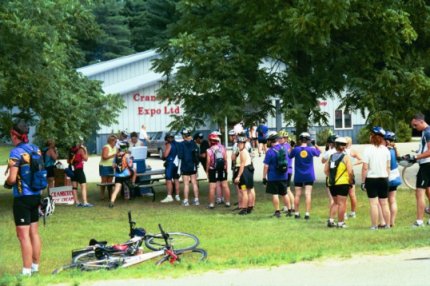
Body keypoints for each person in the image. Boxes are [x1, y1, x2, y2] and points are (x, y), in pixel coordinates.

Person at [4, 121, 43, 276]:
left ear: (14, 135)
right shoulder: (36, 149)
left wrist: (6, 184)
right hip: (36, 195)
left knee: (23, 235)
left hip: (22, 198)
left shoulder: (16, 152)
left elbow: (12, 179)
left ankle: (26, 272)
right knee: (34, 233)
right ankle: (35, 267)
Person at [361, 126, 391, 230]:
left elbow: (365, 168)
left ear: (372, 136)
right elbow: (388, 167)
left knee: (374, 204)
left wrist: (363, 182)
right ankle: (387, 225)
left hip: (372, 179)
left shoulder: (368, 150)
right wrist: (387, 177)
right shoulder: (386, 150)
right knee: (384, 203)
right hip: (384, 178)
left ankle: (374, 226)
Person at [289, 132, 321, 220]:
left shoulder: (296, 149)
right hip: (309, 175)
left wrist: (292, 146)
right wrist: (315, 144)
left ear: (299, 140)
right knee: (308, 194)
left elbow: (289, 155)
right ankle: (307, 214)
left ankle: (296, 213)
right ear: (308, 140)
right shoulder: (311, 150)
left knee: (297, 194)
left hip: (299, 175)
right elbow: (319, 152)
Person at [324, 137, 353, 228]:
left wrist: (332, 177)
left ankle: (331, 220)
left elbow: (326, 170)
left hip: (332, 184)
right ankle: (341, 223)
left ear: (335, 145)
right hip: (343, 183)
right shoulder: (346, 157)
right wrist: (350, 181)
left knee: (335, 202)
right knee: (342, 203)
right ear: (344, 146)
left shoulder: (331, 157)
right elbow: (350, 172)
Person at [408, 113, 430, 227]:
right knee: (428, 191)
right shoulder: (425, 132)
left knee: (419, 192)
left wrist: (415, 157)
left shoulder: (427, 132)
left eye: (415, 125)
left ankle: (419, 221)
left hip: (426, 165)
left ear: (421, 121)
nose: (414, 127)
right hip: (426, 164)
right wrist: (417, 154)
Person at [263, 132, 289, 218]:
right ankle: (289, 210)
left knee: (275, 194)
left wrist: (264, 177)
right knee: (284, 193)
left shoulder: (270, 151)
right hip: (283, 175)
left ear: (271, 141)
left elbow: (266, 166)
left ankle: (277, 212)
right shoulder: (284, 149)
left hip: (273, 176)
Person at [206, 133, 231, 209]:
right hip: (222, 169)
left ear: (210, 141)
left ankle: (211, 204)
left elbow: (208, 162)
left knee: (212, 187)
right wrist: (226, 169)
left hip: (213, 170)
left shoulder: (209, 150)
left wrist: (207, 171)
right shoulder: (223, 148)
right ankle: (227, 202)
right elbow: (225, 159)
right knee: (225, 186)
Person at [178, 128, 200, 206]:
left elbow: (180, 156)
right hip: (193, 165)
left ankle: (186, 201)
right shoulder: (193, 143)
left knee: (186, 184)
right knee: (194, 183)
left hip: (185, 165)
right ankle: (196, 200)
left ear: (184, 135)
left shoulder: (181, 144)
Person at [234, 135, 255, 215]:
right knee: (249, 190)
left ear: (244, 144)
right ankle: (250, 206)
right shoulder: (244, 151)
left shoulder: (242, 152)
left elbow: (242, 165)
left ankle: (244, 209)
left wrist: (238, 176)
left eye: (240, 143)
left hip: (244, 173)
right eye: (238, 143)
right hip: (248, 172)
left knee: (244, 191)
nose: (239, 144)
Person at [109, 142, 134, 208]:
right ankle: (127, 201)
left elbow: (113, 166)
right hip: (126, 175)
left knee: (116, 189)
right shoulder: (127, 155)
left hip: (118, 176)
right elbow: (130, 165)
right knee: (126, 188)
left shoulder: (116, 155)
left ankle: (112, 201)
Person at [69, 139, 92, 207]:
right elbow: (86, 159)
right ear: (79, 143)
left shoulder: (71, 150)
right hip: (79, 169)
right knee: (83, 185)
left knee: (74, 187)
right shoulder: (81, 150)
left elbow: (68, 160)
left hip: (72, 169)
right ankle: (85, 202)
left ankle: (77, 202)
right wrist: (86, 150)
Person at [384, 131, 401, 227]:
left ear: (386, 140)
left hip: (387, 177)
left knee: (384, 201)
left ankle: (385, 222)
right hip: (395, 177)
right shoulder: (394, 150)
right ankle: (392, 222)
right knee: (393, 200)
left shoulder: (385, 151)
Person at [278, 130, 295, 216]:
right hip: (283, 170)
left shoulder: (287, 146)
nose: (280, 139)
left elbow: (290, 152)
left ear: (286, 138)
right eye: (279, 138)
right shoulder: (281, 146)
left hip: (287, 170)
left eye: (282, 138)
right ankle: (286, 206)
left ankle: (292, 206)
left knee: (287, 189)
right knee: (283, 190)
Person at [160, 133, 181, 203]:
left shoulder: (169, 144)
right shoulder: (178, 144)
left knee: (168, 179)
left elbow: (165, 155)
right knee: (176, 179)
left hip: (170, 163)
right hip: (177, 163)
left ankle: (169, 196)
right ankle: (177, 195)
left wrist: (163, 154)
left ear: (167, 139)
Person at [344, 136, 362, 218]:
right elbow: (360, 159)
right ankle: (351, 212)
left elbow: (361, 159)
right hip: (348, 173)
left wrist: (353, 163)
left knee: (347, 195)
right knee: (351, 194)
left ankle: (349, 213)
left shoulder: (348, 151)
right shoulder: (349, 151)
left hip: (347, 174)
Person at [321, 135, 338, 221]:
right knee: (341, 199)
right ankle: (342, 214)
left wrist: (327, 151)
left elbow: (322, 161)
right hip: (341, 178)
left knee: (332, 199)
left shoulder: (329, 152)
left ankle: (331, 216)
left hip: (330, 177)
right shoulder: (343, 151)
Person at [99, 135, 117, 200]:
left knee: (110, 181)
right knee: (104, 181)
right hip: (104, 166)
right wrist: (113, 155)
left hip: (111, 166)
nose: (116, 142)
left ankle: (110, 195)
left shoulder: (115, 148)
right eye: (115, 141)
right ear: (111, 141)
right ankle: (102, 195)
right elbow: (104, 157)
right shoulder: (106, 147)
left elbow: (116, 157)